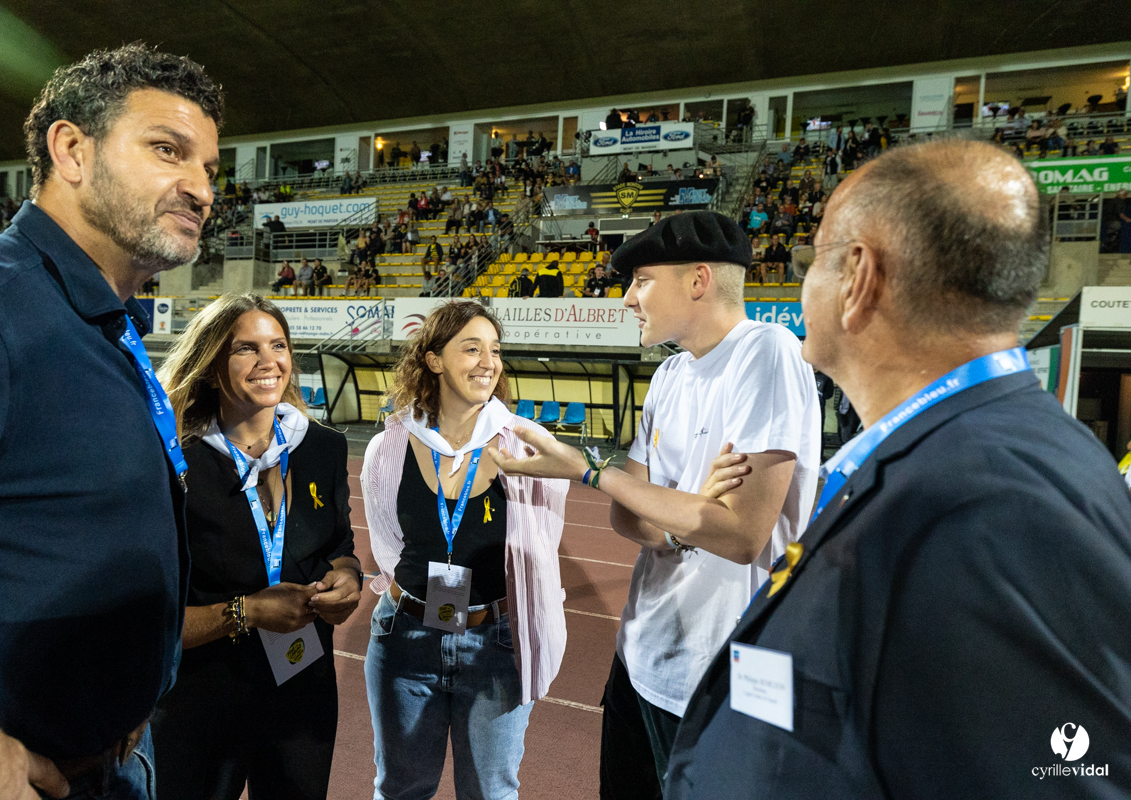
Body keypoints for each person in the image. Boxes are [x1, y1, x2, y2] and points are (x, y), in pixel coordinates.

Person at [664, 140, 1131, 799]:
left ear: (858, 276)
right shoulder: (962, 455)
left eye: (816, 258)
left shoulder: (995, 504)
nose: (803, 282)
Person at [0, 43, 222, 800]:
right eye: (169, 151)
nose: (201, 188)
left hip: (119, 762)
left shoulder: (101, 319)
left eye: (211, 171)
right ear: (72, 150)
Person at [492, 210, 820, 798]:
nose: (626, 300)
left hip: (720, 675)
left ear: (697, 281)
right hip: (641, 656)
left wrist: (590, 469)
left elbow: (742, 534)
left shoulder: (766, 351)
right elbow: (628, 516)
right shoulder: (670, 373)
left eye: (641, 280)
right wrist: (689, 515)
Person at [153, 294, 361, 800]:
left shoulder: (323, 448)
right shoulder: (173, 462)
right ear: (210, 365)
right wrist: (246, 611)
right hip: (201, 697)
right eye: (246, 348)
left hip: (302, 685)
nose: (269, 361)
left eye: (279, 345)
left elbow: (339, 543)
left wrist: (348, 578)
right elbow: (154, 620)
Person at [361, 301, 570, 800]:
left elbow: (541, 547)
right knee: (400, 789)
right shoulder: (390, 446)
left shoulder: (525, 446)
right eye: (471, 348)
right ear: (433, 360)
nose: (487, 362)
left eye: (494, 351)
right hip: (404, 640)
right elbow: (388, 541)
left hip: (495, 644)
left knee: (490, 793)